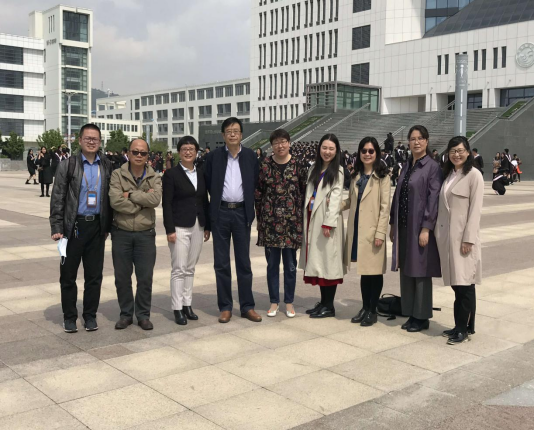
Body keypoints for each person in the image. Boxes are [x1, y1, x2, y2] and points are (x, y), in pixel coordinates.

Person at [50, 124, 113, 333]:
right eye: (88, 138)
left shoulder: (107, 165)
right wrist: (57, 226)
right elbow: (58, 197)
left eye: (95, 138)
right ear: (79, 140)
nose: (91, 142)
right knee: (68, 276)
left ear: (100, 142)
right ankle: (69, 316)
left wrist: (108, 225)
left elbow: (110, 198)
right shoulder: (68, 165)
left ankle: (90, 316)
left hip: (97, 227)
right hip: (73, 228)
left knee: (94, 276)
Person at [204, 118, 262, 324]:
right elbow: (208, 184)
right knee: (221, 263)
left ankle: (247, 306)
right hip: (220, 213)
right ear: (223, 135)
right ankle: (225, 307)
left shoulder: (250, 156)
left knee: (244, 262)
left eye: (236, 131)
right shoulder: (213, 157)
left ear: (241, 134)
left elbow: (255, 183)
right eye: (228, 131)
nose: (232, 134)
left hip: (241, 214)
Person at [390, 125, 443, 333]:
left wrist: (426, 228)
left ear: (427, 141)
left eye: (420, 138)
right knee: (406, 268)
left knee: (421, 270)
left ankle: (421, 316)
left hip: (419, 226)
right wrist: (393, 224)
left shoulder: (432, 167)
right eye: (413, 139)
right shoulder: (407, 165)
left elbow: (433, 199)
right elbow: (397, 195)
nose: (416, 142)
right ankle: (410, 312)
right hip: (403, 225)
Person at [109, 139, 162, 331]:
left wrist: (130, 195)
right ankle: (125, 314)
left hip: (145, 234)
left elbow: (155, 199)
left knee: (145, 277)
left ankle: (143, 315)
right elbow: (115, 201)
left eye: (143, 153)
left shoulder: (154, 176)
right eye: (135, 152)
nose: (139, 155)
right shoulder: (117, 174)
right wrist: (142, 202)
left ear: (148, 155)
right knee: (122, 277)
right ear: (128, 153)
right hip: (121, 233)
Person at [436, 137, 483, 345]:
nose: (457, 154)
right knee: (458, 284)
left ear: (468, 152)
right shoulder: (449, 175)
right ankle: (462, 325)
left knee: (464, 284)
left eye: (461, 150)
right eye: (453, 151)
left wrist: (469, 239)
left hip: (464, 240)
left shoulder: (474, 175)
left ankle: (463, 329)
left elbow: (475, 210)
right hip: (448, 238)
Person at [255, 129, 307, 319]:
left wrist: (302, 220)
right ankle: (274, 301)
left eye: (283, 141)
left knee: (290, 266)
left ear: (289, 143)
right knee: (272, 265)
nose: (280, 145)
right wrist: (260, 220)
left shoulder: (298, 165)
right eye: (276, 142)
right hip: (270, 224)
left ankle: (289, 302)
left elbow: (304, 192)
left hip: (292, 224)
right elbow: (258, 194)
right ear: (272, 146)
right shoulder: (265, 165)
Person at [342, 137, 391, 327]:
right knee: (364, 271)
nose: (367, 154)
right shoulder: (356, 175)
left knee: (374, 272)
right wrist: (334, 205)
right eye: (364, 151)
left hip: (373, 231)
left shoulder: (383, 176)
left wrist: (380, 233)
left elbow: (385, 208)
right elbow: (350, 201)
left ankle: (372, 310)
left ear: (376, 153)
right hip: (357, 229)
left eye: (371, 151)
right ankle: (365, 307)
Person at [163, 136, 211, 326]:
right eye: (184, 149)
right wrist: (170, 230)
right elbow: (166, 203)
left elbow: (204, 200)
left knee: (190, 268)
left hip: (198, 225)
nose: (188, 152)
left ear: (196, 152)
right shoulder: (171, 174)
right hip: (179, 227)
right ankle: (177, 308)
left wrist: (207, 226)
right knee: (179, 269)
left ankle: (187, 304)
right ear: (179, 152)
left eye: (191, 149)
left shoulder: (200, 172)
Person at [301, 134, 346, 319]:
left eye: (331, 149)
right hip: (313, 217)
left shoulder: (338, 171)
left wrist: (329, 222)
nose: (327, 152)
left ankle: (329, 305)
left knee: (328, 263)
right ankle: (323, 302)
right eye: (324, 148)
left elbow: (335, 198)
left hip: (327, 222)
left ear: (336, 151)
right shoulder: (314, 168)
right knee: (319, 263)